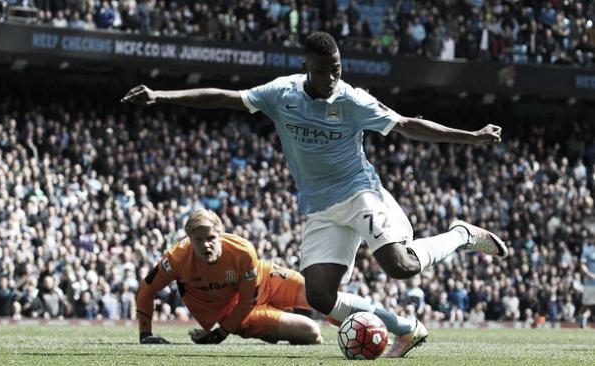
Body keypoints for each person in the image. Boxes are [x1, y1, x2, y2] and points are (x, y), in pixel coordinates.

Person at [122, 31, 508, 357]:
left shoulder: (352, 100)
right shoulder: (281, 93)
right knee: (321, 296)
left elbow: (407, 124)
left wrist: (470, 137)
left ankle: (460, 234)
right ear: (308, 67)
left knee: (401, 266)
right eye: (323, 72)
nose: (331, 79)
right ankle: (405, 329)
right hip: (321, 208)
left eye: (337, 70)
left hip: (359, 192)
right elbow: (225, 97)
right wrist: (160, 95)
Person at [135, 209, 322, 345]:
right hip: (237, 312)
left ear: (221, 235)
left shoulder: (242, 251)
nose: (205, 245)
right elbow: (146, 288)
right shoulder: (177, 258)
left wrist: (220, 334)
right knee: (312, 332)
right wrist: (145, 334)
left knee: (323, 295)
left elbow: (249, 298)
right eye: (198, 240)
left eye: (210, 238)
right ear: (190, 240)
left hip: (265, 280)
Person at [578, 240, 595, 328]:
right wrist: (589, 274)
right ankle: (582, 320)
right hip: (590, 283)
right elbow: (582, 264)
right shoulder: (587, 250)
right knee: (587, 304)